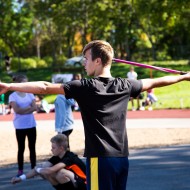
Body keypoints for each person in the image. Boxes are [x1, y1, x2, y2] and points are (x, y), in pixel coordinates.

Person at [0, 40, 190, 190]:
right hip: (121, 158)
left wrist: (9, 86)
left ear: (98, 61)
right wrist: (183, 76)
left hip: (99, 160)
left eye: (86, 58)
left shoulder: (84, 87)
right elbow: (156, 81)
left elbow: (44, 87)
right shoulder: (125, 85)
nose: (84, 63)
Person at [11, 134, 87, 190]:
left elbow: (50, 170)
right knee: (48, 171)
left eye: (53, 148)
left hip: (85, 184)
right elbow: (43, 168)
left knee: (61, 172)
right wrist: (20, 178)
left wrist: (38, 169)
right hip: (75, 182)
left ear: (61, 148)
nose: (51, 150)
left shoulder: (69, 157)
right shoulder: (56, 157)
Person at [8, 74, 37, 177]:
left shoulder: (30, 94)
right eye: (24, 83)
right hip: (20, 126)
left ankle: (34, 169)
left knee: (32, 148)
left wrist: (25, 110)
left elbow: (35, 107)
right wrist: (29, 109)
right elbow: (17, 110)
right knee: (21, 148)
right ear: (18, 84)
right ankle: (20, 170)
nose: (26, 85)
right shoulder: (13, 96)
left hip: (31, 125)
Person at [54, 77, 75, 150]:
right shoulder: (66, 95)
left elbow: (62, 114)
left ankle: (68, 161)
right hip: (69, 125)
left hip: (64, 126)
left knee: (63, 148)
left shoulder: (60, 97)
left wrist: (60, 129)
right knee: (66, 146)